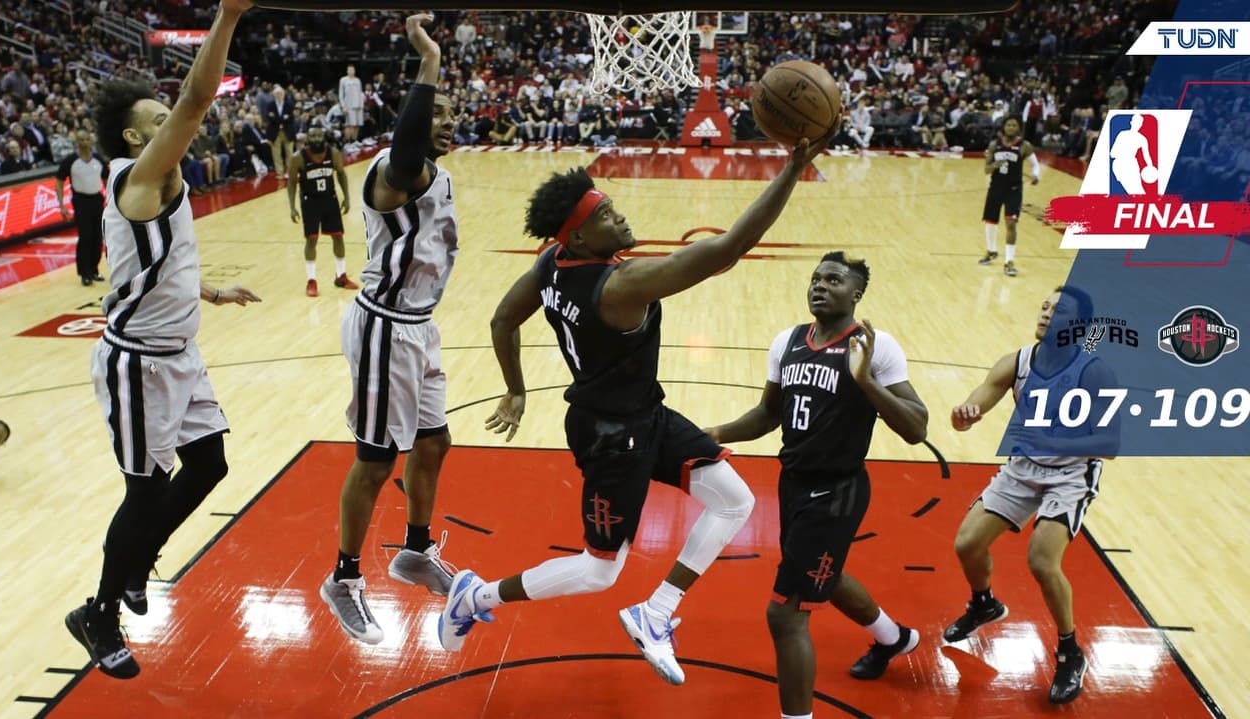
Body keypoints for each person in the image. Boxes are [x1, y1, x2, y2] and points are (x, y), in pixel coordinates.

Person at [441, 134, 828, 686]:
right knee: (599, 571)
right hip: (610, 437)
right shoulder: (621, 285)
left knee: (735, 501)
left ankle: (656, 612)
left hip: (643, 415)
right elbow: (729, 248)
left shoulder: (554, 259)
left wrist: (516, 389)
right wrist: (793, 167)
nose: (620, 219)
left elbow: (503, 318)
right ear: (579, 233)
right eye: (607, 215)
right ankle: (474, 596)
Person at [65, 0, 261, 681]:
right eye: (157, 121)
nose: (172, 125)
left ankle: (137, 561)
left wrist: (208, 291)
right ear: (132, 136)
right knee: (144, 493)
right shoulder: (137, 176)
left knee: (209, 465)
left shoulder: (161, 184)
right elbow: (197, 96)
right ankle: (97, 611)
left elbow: (158, 257)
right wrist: (229, 16)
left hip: (180, 351)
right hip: (138, 363)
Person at [704, 253, 928, 719]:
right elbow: (769, 414)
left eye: (833, 280)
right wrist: (717, 434)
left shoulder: (875, 345)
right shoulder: (787, 341)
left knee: (785, 613)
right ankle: (895, 638)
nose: (820, 286)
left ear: (856, 294)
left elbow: (916, 428)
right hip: (793, 484)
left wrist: (866, 382)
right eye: (816, 278)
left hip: (838, 490)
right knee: (825, 573)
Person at [318, 13, 460, 646]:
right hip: (383, 327)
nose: (451, 122)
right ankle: (343, 579)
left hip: (419, 327)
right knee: (376, 461)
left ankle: (415, 551)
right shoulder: (392, 174)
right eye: (440, 113)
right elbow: (406, 152)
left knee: (434, 444)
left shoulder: (439, 174)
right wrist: (427, 64)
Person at [945, 286, 1117, 705]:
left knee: (1042, 561)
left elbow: (1109, 443)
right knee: (967, 544)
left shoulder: (1094, 372)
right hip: (1023, 470)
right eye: (1044, 306)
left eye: (1058, 311)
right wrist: (965, 414)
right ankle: (983, 604)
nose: (1045, 314)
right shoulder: (1018, 362)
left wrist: (1051, 442)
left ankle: (1070, 651)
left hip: (1070, 475)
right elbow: (975, 404)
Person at [286, 126, 357, 296]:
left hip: (329, 199)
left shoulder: (333, 153)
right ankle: (311, 280)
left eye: (319, 135)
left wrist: (346, 197)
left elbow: (341, 174)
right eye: (313, 136)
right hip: (310, 202)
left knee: (338, 236)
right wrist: (292, 207)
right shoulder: (298, 158)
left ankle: (341, 276)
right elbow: (291, 183)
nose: (317, 138)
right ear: (307, 139)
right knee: (311, 240)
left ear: (323, 136)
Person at [979, 117, 1039, 277]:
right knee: (991, 222)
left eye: (1014, 125)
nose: (1011, 127)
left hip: (1014, 190)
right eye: (1008, 125)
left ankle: (1009, 262)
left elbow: (1035, 164)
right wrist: (994, 166)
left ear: (1019, 128)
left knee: (1011, 223)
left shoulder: (1024, 146)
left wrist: (1035, 175)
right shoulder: (994, 145)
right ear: (1004, 127)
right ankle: (991, 251)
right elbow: (986, 169)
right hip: (996, 188)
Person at [56, 130, 110, 286]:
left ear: (91, 141)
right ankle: (84, 273)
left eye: (87, 139)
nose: (85, 142)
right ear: (77, 143)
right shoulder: (70, 161)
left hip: (97, 199)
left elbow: (106, 179)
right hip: (80, 201)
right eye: (81, 140)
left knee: (97, 237)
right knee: (85, 237)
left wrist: (111, 199)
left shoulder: (98, 159)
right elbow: (59, 182)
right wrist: (62, 206)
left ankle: (94, 270)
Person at [339, 65, 364, 144]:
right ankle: (347, 143)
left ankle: (354, 141)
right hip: (349, 106)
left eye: (353, 70)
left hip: (359, 106)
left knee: (357, 125)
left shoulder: (358, 80)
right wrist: (343, 106)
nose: (351, 71)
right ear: (347, 71)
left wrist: (361, 104)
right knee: (349, 125)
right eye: (350, 70)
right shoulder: (343, 80)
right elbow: (341, 94)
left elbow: (360, 93)